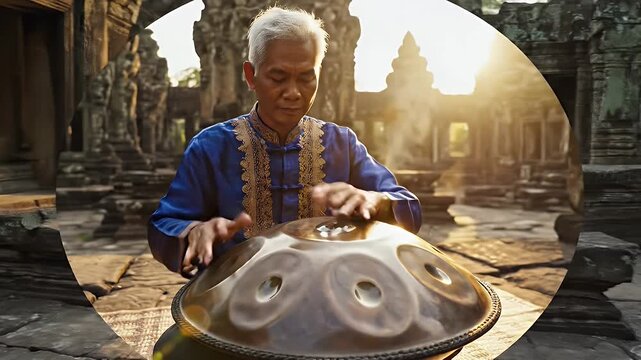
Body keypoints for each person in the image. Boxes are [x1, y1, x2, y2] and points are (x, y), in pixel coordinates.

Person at [148, 6, 422, 277]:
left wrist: (374, 200)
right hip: (235, 298)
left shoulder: (342, 144)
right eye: (278, 78)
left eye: (306, 78)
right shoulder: (211, 148)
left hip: (329, 292)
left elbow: (408, 205)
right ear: (251, 76)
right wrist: (195, 232)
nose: (293, 93)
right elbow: (165, 223)